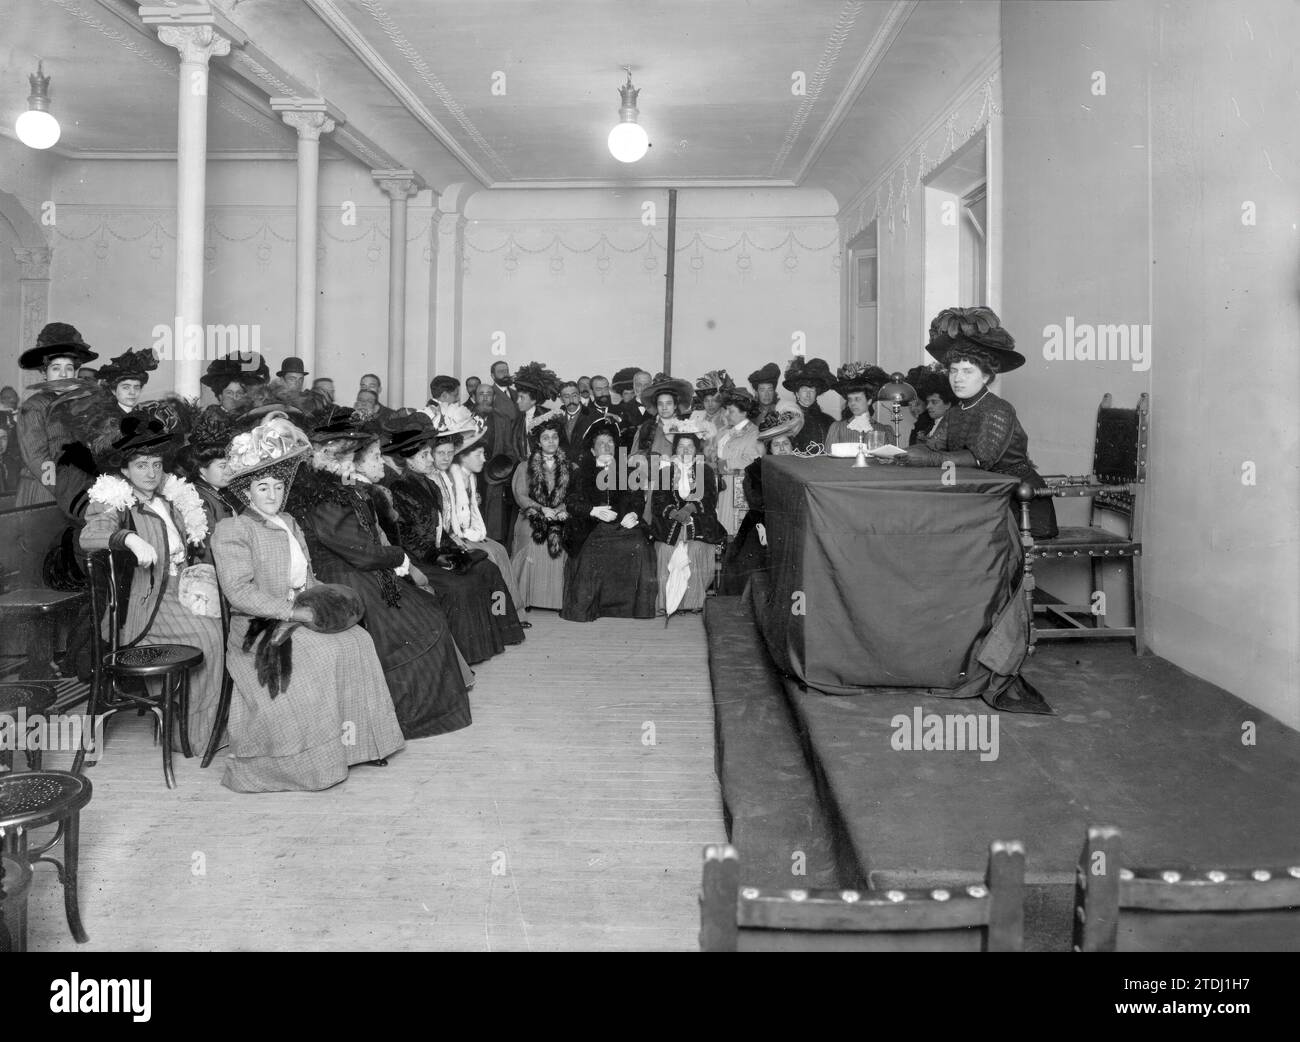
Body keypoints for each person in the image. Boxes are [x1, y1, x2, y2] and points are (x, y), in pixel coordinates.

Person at [210, 413, 405, 792]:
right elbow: (239, 593)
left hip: (299, 612)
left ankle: (358, 744)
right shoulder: (233, 529)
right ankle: (312, 762)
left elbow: (309, 577)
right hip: (257, 628)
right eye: (262, 488)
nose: (272, 495)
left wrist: (323, 601)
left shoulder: (289, 521)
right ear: (246, 492)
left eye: (278, 488)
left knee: (358, 641)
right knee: (322, 653)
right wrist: (293, 612)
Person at [79, 416, 225, 754]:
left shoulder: (171, 498)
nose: (151, 472)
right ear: (125, 471)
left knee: (228, 627)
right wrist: (128, 538)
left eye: (156, 464)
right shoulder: (114, 500)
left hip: (183, 588)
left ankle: (220, 726)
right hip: (146, 607)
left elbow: (193, 545)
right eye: (141, 465)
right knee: (208, 638)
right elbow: (90, 535)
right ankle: (191, 736)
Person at [903, 306, 1059, 538]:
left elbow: (978, 459)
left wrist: (923, 458)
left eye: (967, 372)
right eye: (953, 371)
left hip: (1020, 504)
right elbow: (933, 446)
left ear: (986, 376)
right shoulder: (956, 412)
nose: (957, 378)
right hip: (986, 498)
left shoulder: (998, 409)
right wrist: (897, 453)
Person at [386, 414, 526, 663]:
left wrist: (453, 549)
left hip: (437, 550)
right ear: (408, 460)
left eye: (430, 454)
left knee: (488, 568)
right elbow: (406, 537)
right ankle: (467, 651)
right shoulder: (401, 488)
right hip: (418, 558)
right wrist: (439, 556)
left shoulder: (426, 484)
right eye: (425, 456)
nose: (431, 459)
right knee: (462, 585)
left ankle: (502, 631)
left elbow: (440, 528)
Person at [426, 409, 525, 614]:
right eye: (478, 454)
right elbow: (442, 519)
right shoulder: (444, 477)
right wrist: (454, 537)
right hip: (449, 537)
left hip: (466, 533)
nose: (483, 459)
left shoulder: (468, 477)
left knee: (499, 549)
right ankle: (497, 613)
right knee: (490, 554)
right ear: (462, 457)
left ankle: (509, 611)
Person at [561, 418, 657, 622]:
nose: (606, 446)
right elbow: (571, 502)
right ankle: (589, 607)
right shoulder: (581, 474)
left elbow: (637, 500)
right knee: (589, 551)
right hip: (591, 528)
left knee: (640, 545)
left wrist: (634, 515)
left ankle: (629, 608)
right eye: (601, 444)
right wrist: (593, 510)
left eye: (610, 442)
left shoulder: (629, 472)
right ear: (593, 451)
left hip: (622, 529)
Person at [15, 322, 99, 510]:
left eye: (68, 368)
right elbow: (37, 459)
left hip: (78, 491)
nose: (63, 374)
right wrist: (69, 493)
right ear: (44, 373)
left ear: (76, 372)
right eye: (55, 368)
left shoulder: (82, 404)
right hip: (45, 492)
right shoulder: (33, 406)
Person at [719, 409, 800, 595]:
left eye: (785, 444)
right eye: (776, 445)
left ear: (792, 446)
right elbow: (756, 502)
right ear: (769, 448)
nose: (781, 448)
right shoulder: (755, 469)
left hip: (794, 523)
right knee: (748, 562)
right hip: (761, 522)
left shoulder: (802, 467)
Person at [649, 425, 725, 614]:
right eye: (681, 446)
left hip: (699, 522)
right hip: (670, 524)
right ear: (675, 449)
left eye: (689, 446)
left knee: (696, 548)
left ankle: (693, 602)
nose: (685, 450)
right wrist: (675, 513)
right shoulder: (665, 471)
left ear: (696, 449)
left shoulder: (705, 470)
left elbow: (709, 499)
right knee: (666, 550)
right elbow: (658, 503)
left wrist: (690, 508)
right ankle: (668, 603)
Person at [510, 410, 570, 612]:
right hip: (532, 513)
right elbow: (521, 496)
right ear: (538, 442)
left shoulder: (569, 466)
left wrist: (561, 509)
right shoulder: (525, 467)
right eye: (546, 438)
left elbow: (573, 496)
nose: (551, 442)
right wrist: (542, 509)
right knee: (532, 537)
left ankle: (557, 600)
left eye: (554, 437)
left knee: (564, 533)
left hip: (560, 513)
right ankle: (527, 597)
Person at [713, 388, 764, 538]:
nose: (726, 414)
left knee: (733, 529)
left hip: (737, 487)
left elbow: (753, 460)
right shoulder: (724, 431)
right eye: (726, 410)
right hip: (721, 485)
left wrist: (724, 464)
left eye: (731, 411)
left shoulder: (754, 433)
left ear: (744, 412)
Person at [825, 363, 894, 447]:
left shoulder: (884, 430)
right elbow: (828, 458)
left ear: (869, 401)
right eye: (850, 399)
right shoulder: (838, 428)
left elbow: (891, 458)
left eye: (857, 399)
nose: (852, 403)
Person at [631, 374, 693, 462]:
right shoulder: (645, 429)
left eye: (668, 403)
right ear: (656, 405)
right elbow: (632, 459)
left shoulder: (687, 428)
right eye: (660, 404)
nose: (664, 408)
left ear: (675, 405)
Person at [783, 357, 836, 451]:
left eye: (812, 390)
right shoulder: (785, 419)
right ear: (796, 393)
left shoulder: (828, 421)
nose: (808, 394)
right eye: (804, 389)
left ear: (817, 393)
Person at [690, 370, 733, 462]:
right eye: (706, 401)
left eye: (714, 400)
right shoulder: (696, 415)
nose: (710, 404)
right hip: (698, 461)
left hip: (722, 460)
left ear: (720, 401)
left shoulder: (728, 416)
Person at [556, 380, 595, 456]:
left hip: (587, 463)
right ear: (561, 399)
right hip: (564, 463)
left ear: (579, 396)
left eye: (574, 396)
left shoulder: (594, 416)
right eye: (566, 397)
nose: (571, 400)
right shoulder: (556, 417)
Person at [748, 362, 781, 427]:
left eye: (770, 390)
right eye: (762, 390)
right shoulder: (749, 413)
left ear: (774, 391)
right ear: (756, 393)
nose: (766, 394)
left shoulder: (781, 409)